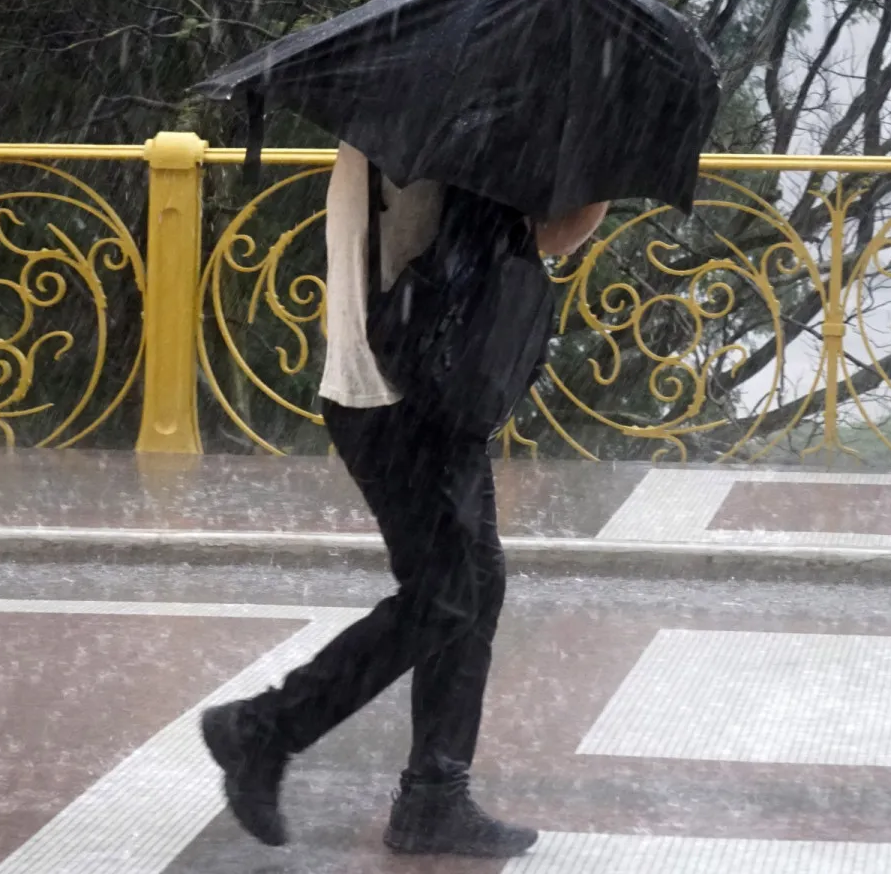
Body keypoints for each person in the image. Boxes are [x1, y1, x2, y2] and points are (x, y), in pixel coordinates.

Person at [200, 142, 607, 858]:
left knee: (471, 587)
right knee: (446, 597)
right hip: (406, 396)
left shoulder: (408, 121)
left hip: (410, 388)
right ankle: (265, 728)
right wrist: (597, 184)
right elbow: (549, 237)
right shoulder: (453, 135)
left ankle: (433, 796)